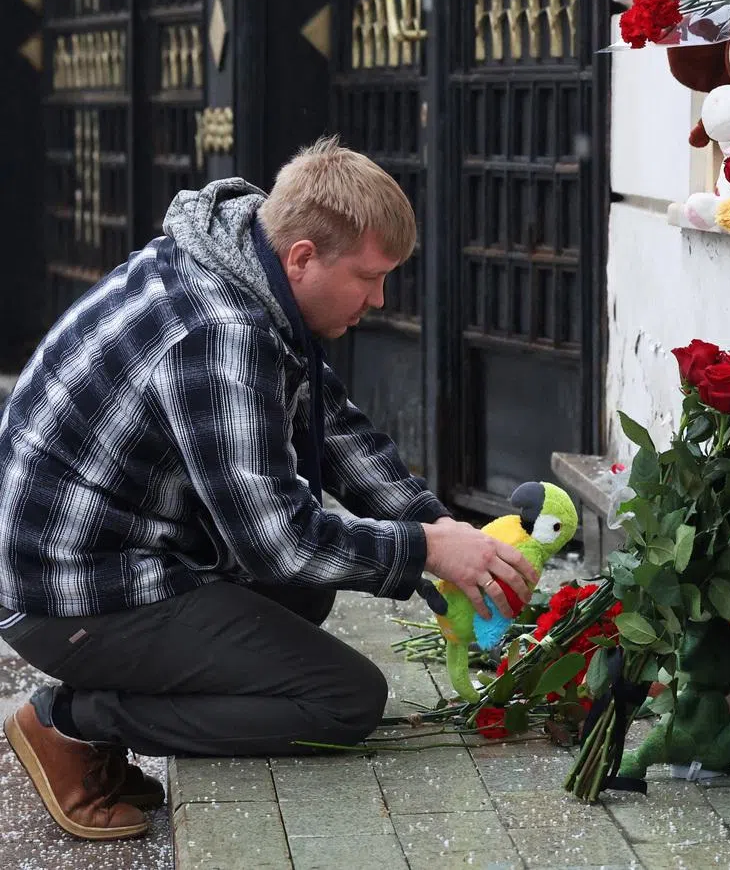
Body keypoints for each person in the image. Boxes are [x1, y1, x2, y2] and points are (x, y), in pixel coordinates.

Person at [0, 138, 537, 841]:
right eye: (369, 278)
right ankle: (68, 723)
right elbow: (276, 539)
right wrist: (425, 552)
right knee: (341, 700)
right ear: (303, 257)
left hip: (120, 558)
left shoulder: (245, 270)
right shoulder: (221, 330)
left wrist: (448, 543)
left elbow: (338, 434)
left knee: (306, 593)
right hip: (70, 595)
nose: (378, 300)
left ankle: (103, 711)